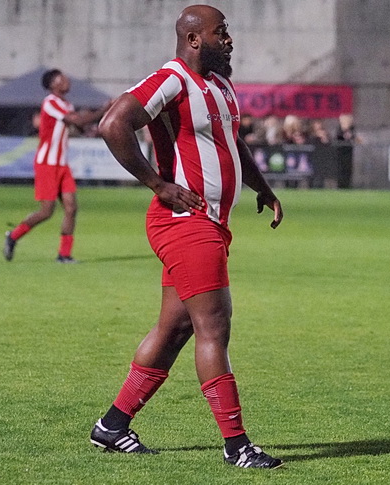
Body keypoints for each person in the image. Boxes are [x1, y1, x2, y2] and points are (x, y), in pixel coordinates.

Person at [92, 4, 284, 469]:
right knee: (213, 328)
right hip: (186, 224)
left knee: (175, 328)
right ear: (194, 39)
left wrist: (262, 187)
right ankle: (237, 446)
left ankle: (111, 427)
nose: (230, 39)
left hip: (210, 223)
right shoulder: (172, 79)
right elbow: (112, 124)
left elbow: (233, 144)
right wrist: (158, 185)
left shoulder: (220, 85)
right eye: (223, 32)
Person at [3, 69, 111, 263]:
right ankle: (13, 236)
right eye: (62, 78)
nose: (67, 81)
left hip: (62, 164)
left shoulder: (66, 104)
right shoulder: (50, 102)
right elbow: (76, 120)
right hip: (47, 163)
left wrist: (94, 130)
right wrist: (103, 109)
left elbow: (79, 126)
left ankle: (64, 255)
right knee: (47, 211)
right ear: (53, 85)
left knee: (71, 207)